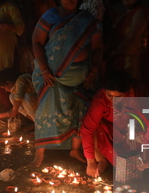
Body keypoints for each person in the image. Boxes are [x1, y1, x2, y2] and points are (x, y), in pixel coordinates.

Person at [31, 0, 103, 167]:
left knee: (78, 111)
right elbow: (37, 42)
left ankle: (74, 150)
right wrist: (44, 70)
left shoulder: (88, 20)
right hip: (52, 76)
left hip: (81, 78)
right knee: (46, 112)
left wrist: (93, 71)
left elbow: (98, 48)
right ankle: (40, 153)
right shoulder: (50, 16)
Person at [80, 71, 147, 177]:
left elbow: (143, 118)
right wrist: (91, 162)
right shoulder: (101, 99)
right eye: (109, 95)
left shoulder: (134, 95)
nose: (112, 99)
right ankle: (102, 159)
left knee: (142, 151)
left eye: (118, 96)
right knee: (94, 128)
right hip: (108, 131)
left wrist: (133, 130)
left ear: (127, 91)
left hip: (130, 130)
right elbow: (87, 129)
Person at [108, 0, 149, 96]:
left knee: (130, 91)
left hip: (132, 62)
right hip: (120, 59)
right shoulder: (127, 13)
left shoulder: (140, 13)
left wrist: (113, 53)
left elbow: (132, 38)